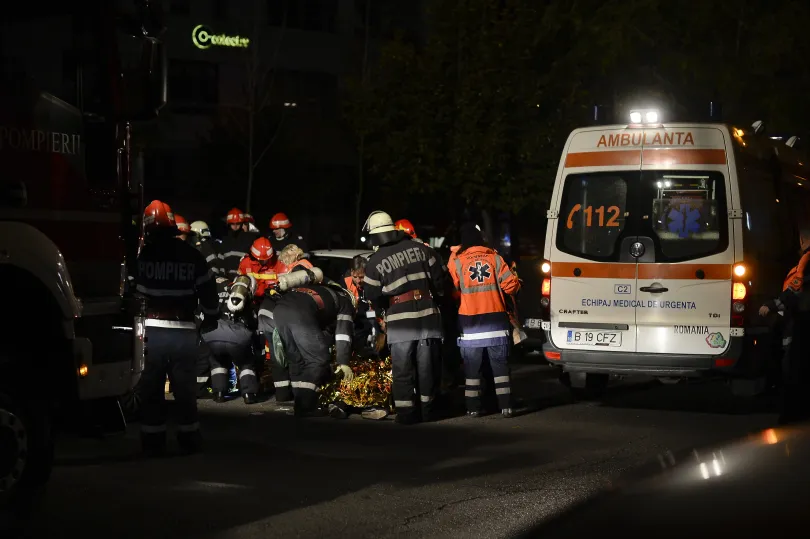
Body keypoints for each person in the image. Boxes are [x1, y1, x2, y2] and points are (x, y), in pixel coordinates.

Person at [134, 200, 219, 456]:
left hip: (151, 333)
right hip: (183, 332)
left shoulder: (142, 256)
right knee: (184, 390)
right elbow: (209, 293)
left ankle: (153, 443)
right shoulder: (192, 255)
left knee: (151, 390)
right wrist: (211, 317)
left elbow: (128, 292)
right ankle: (189, 439)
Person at [362, 210, 446, 425]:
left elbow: (371, 295)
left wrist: (384, 311)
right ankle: (430, 410)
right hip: (428, 317)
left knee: (402, 370)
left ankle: (407, 414)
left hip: (400, 321)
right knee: (428, 368)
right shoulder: (423, 249)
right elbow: (441, 281)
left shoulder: (375, 261)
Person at [449, 223, 521, 418]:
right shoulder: (495, 258)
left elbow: (452, 288)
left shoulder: (457, 261)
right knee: (500, 368)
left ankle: (473, 408)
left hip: (470, 325)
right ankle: (506, 406)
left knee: (472, 370)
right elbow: (511, 287)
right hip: (496, 322)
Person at [272, 268, 357, 417]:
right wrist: (343, 362)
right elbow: (343, 334)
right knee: (318, 359)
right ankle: (306, 405)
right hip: (299, 313)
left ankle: (300, 404)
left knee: (296, 360)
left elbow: (318, 330)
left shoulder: (321, 290)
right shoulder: (345, 302)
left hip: (280, 309)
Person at [760, 227, 810, 423]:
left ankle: (792, 417)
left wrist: (772, 305)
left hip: (802, 322)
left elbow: (795, 289)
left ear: (801, 239)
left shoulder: (807, 260)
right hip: (800, 319)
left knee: (793, 368)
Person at [204, 275, 262, 404]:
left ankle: (219, 393)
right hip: (236, 337)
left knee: (217, 362)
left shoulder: (220, 290)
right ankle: (249, 393)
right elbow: (252, 324)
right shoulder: (247, 300)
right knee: (246, 363)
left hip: (213, 334)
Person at [220, 207, 259, 279]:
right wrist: (222, 277)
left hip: (244, 278)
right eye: (232, 224)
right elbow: (221, 260)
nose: (235, 226)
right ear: (228, 224)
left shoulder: (250, 238)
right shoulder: (225, 240)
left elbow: (254, 262)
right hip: (227, 279)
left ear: (241, 223)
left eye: (237, 223)